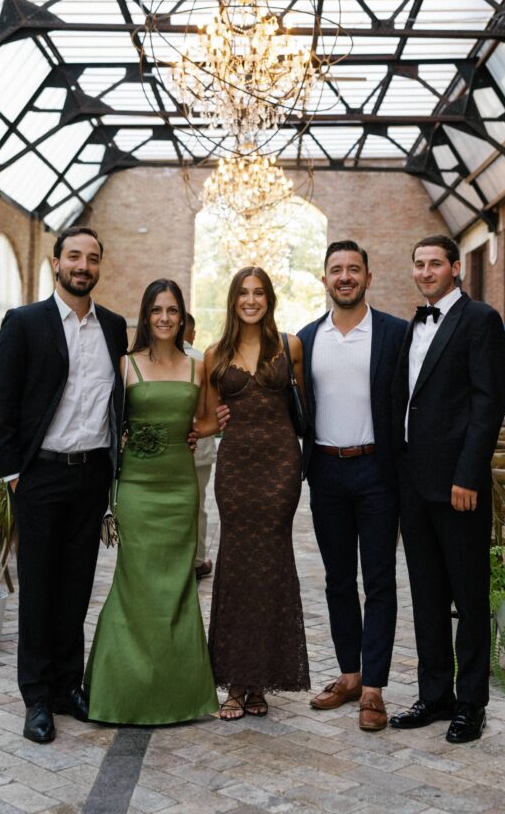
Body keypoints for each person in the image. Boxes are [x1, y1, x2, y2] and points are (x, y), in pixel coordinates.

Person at [0, 227, 127, 745]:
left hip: (91, 475)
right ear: (57, 261)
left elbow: (119, 400)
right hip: (39, 476)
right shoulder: (24, 323)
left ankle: (69, 687)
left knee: (76, 587)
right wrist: (14, 475)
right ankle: (37, 698)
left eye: (91, 258)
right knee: (40, 590)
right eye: (74, 256)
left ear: (99, 265)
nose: (82, 265)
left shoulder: (113, 327)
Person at [390, 234, 505, 744]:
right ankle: (434, 694)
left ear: (455, 268)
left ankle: (471, 704)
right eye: (418, 264)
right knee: (427, 595)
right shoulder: (414, 322)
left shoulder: (479, 320)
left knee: (469, 595)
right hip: (414, 483)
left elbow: (488, 405)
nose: (425, 271)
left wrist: (468, 474)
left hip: (458, 486)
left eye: (434, 263)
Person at [84, 279, 217, 725]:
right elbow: (107, 421)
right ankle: (119, 692)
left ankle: (179, 695)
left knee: (178, 587)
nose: (164, 318)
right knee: (136, 585)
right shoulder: (124, 365)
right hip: (137, 491)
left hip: (180, 490)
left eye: (172, 311)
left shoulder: (199, 367)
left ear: (182, 317)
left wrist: (200, 432)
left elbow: (208, 419)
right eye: (157, 310)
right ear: (146, 315)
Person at [298, 240, 407, 731]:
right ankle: (348, 674)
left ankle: (374, 689)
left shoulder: (394, 334)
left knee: (380, 583)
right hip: (325, 470)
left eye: (353, 269)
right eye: (336, 270)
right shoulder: (304, 339)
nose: (345, 276)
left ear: (368, 276)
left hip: (377, 472)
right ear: (324, 279)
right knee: (339, 580)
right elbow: (287, 407)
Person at [196, 266, 310, 720]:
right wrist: (185, 430)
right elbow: (206, 419)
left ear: (269, 299)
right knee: (238, 565)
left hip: (281, 467)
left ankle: (260, 682)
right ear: (232, 300)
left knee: (273, 565)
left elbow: (306, 408)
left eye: (258, 293)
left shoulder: (290, 345)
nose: (250, 300)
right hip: (236, 471)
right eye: (243, 293)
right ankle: (236, 682)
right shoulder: (213, 354)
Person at [183, 312, 217, 580]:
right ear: (191, 333)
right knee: (197, 504)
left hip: (192, 444)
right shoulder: (200, 359)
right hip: (199, 448)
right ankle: (196, 560)